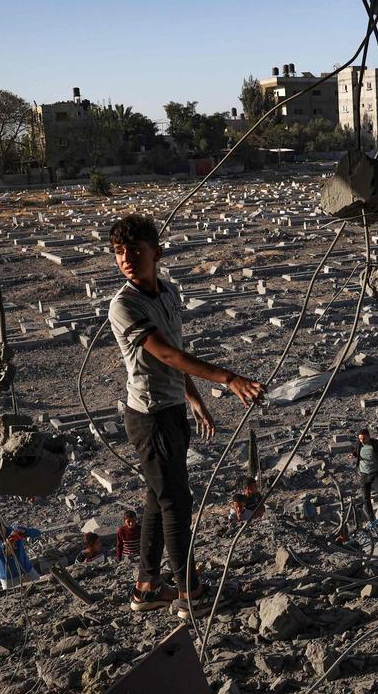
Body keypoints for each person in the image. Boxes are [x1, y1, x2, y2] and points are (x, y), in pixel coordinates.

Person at [106, 215, 265, 618]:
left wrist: (193, 398)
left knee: (158, 500)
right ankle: (189, 594)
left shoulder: (168, 294)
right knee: (176, 502)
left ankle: (146, 587)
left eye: (135, 251)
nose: (127, 259)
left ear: (156, 253)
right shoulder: (124, 305)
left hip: (171, 409)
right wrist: (228, 379)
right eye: (120, 253)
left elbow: (174, 350)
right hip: (150, 416)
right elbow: (166, 353)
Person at [351, 427, 378, 523]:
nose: (362, 441)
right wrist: (353, 455)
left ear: (369, 437)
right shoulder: (359, 444)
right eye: (360, 439)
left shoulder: (376, 444)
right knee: (365, 499)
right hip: (364, 475)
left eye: (364, 439)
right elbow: (356, 451)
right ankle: (372, 521)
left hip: (376, 473)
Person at [0, 518, 41, 590]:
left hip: (26, 570)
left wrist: (25, 531)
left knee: (40, 588)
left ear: (2, 526)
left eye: (0, 531)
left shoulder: (14, 530)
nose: (0, 535)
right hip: (8, 577)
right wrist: (5, 545)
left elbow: (37, 532)